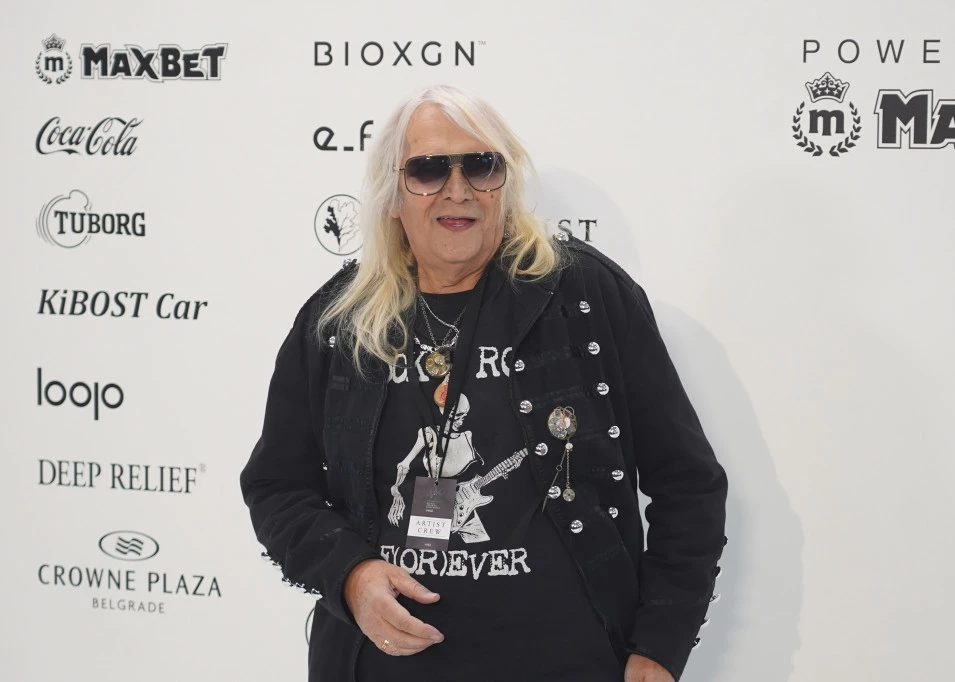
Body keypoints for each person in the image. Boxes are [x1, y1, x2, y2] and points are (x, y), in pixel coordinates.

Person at [240, 84, 727, 682]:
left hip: (568, 662)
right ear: (393, 194)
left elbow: (687, 482)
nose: (458, 189)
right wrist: (350, 575)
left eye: (480, 165)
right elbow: (276, 486)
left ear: (504, 182)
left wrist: (660, 644)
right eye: (427, 169)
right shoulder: (341, 320)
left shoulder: (584, 296)